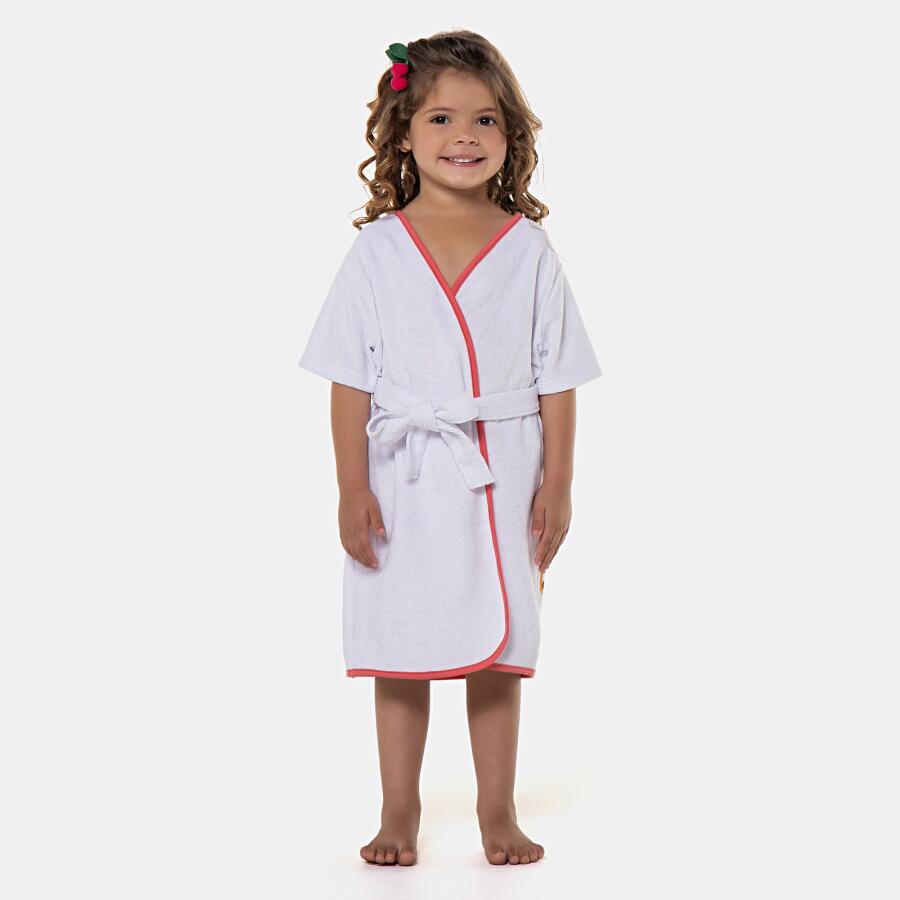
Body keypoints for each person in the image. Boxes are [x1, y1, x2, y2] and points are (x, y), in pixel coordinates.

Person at [297, 30, 603, 867]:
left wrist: (559, 483)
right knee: (398, 644)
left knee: (498, 647)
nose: (463, 135)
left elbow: (557, 378)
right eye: (440, 118)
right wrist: (350, 488)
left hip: (503, 471)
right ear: (402, 134)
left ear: (511, 135)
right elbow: (349, 380)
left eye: (485, 119)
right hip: (402, 475)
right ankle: (398, 810)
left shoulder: (528, 249)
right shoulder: (376, 250)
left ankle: (497, 810)